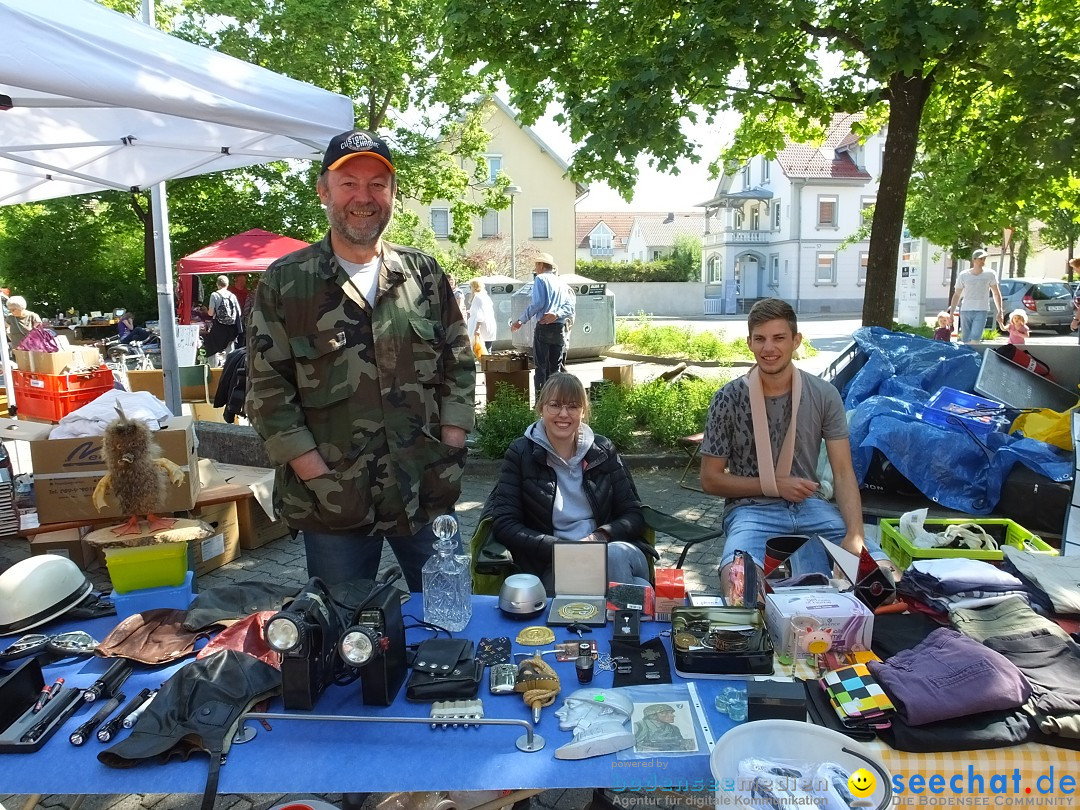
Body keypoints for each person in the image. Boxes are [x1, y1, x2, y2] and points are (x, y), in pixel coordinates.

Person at [246, 128, 475, 593]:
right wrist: (319, 477)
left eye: (378, 184)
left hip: (424, 488)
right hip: (334, 505)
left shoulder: (423, 275)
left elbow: (460, 364)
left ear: (392, 194)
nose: (364, 197)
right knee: (341, 632)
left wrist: (450, 445)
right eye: (349, 183)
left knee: (448, 621)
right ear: (324, 190)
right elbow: (268, 392)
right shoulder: (287, 283)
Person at [700, 298, 892, 602]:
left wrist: (855, 535)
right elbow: (710, 479)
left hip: (811, 507)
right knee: (741, 592)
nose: (769, 348)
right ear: (749, 342)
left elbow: (843, 472)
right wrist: (776, 486)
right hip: (750, 510)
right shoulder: (728, 398)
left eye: (779, 338)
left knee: (882, 582)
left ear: (796, 341)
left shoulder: (824, 394)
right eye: (760, 339)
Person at [488, 372, 652, 594]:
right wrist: (561, 549)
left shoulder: (602, 451)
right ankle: (625, 617)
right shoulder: (520, 453)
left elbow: (633, 514)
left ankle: (621, 618)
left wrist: (599, 537)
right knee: (639, 590)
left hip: (613, 551)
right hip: (554, 561)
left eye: (573, 406)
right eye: (555, 405)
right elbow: (505, 524)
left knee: (613, 557)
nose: (563, 414)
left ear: (583, 412)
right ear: (541, 408)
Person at [510, 252, 575, 394]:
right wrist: (557, 314)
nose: (535, 268)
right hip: (559, 328)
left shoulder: (540, 279)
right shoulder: (562, 283)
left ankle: (541, 401)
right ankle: (556, 397)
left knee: (541, 367)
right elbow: (570, 307)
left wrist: (520, 320)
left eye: (536, 265)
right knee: (555, 367)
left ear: (540, 265)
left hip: (544, 327)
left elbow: (538, 303)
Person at [553, 687, 635, 760]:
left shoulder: (617, 736)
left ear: (606, 710)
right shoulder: (580, 738)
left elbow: (600, 698)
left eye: (571, 705)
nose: (559, 712)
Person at [949, 249, 1004, 344]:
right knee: (965, 339)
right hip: (965, 310)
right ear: (974, 260)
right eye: (981, 259)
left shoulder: (990, 274)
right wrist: (951, 313)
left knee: (975, 339)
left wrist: (1000, 310)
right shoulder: (963, 275)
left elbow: (996, 293)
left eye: (984, 259)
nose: (983, 261)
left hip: (981, 310)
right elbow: (957, 294)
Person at [203, 275, 242, 366]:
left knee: (212, 347)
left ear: (217, 284)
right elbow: (239, 313)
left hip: (219, 327)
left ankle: (214, 368)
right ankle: (230, 368)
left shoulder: (214, 295)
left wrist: (206, 311)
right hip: (231, 328)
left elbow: (211, 313)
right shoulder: (232, 296)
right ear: (227, 284)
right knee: (230, 349)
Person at [466, 278, 496, 354]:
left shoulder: (477, 297)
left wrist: (477, 329)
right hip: (490, 326)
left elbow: (480, 315)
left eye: (470, 287)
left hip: (482, 328)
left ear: (474, 287)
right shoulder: (486, 297)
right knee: (488, 350)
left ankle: (486, 365)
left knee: (481, 351)